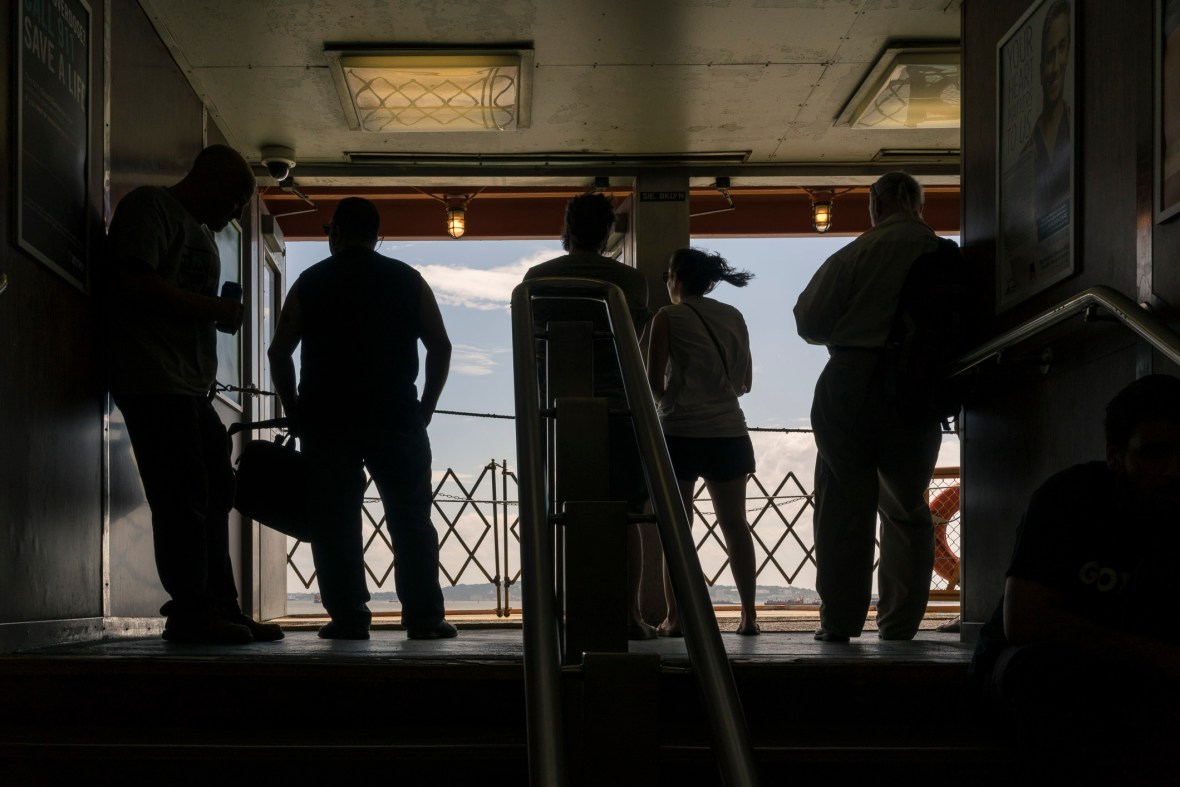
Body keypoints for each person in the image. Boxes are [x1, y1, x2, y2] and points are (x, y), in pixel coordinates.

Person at [106, 144, 281, 644]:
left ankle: (220, 605)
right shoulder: (150, 209)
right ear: (210, 183)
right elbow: (132, 281)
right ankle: (190, 611)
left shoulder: (199, 230)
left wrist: (211, 312)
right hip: (154, 379)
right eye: (232, 202)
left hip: (189, 386)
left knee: (215, 494)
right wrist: (210, 308)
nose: (230, 216)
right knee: (182, 496)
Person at [970, 375, 1180, 775]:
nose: (1174, 470)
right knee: (1047, 678)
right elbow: (1024, 622)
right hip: (1046, 669)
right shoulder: (1071, 498)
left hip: (1133, 676)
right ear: (1115, 456)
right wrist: (1161, 656)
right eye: (1156, 454)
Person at [268, 197, 456, 641]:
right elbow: (441, 347)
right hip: (396, 419)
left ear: (334, 232)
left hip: (327, 422)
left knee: (334, 521)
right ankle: (424, 617)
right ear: (377, 234)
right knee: (410, 517)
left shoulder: (311, 281)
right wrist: (424, 409)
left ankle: (349, 618)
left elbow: (280, 352)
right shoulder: (408, 281)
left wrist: (293, 410)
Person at [793, 170, 953, 642]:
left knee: (844, 505)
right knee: (908, 505)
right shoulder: (944, 255)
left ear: (876, 206)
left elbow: (810, 320)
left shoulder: (857, 253)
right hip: (918, 387)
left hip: (851, 379)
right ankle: (900, 623)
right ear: (919, 206)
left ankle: (840, 621)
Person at [522, 192, 656, 640]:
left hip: (555, 414)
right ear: (609, 232)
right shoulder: (630, 283)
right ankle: (632, 615)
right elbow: (633, 343)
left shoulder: (535, 281)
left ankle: (554, 613)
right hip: (619, 409)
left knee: (555, 511)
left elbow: (535, 345)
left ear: (567, 227)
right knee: (627, 514)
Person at [646, 248, 759, 637]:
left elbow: (653, 382)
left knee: (678, 527)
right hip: (730, 433)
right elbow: (744, 382)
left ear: (676, 277)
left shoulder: (667, 317)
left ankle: (676, 618)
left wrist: (674, 400)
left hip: (679, 434)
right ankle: (748, 617)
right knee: (736, 526)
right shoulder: (734, 317)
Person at [1030, 0, 1071, 239]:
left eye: (1062, 48)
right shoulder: (1029, 151)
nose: (1055, 67)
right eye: (1048, 56)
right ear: (1039, 69)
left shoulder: (1077, 132)